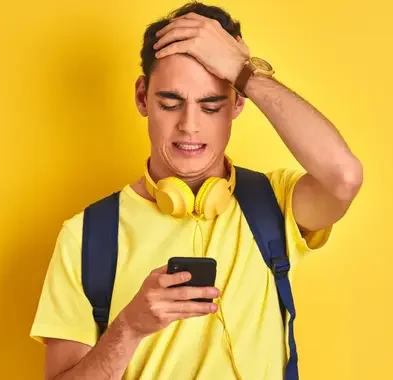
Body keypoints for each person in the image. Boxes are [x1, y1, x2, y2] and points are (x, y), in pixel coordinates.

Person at [29, 2, 363, 379]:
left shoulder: (275, 203)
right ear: (142, 97)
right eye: (170, 103)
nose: (189, 126)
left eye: (211, 105)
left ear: (237, 103)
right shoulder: (87, 236)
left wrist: (244, 73)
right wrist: (129, 327)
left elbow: (344, 176)